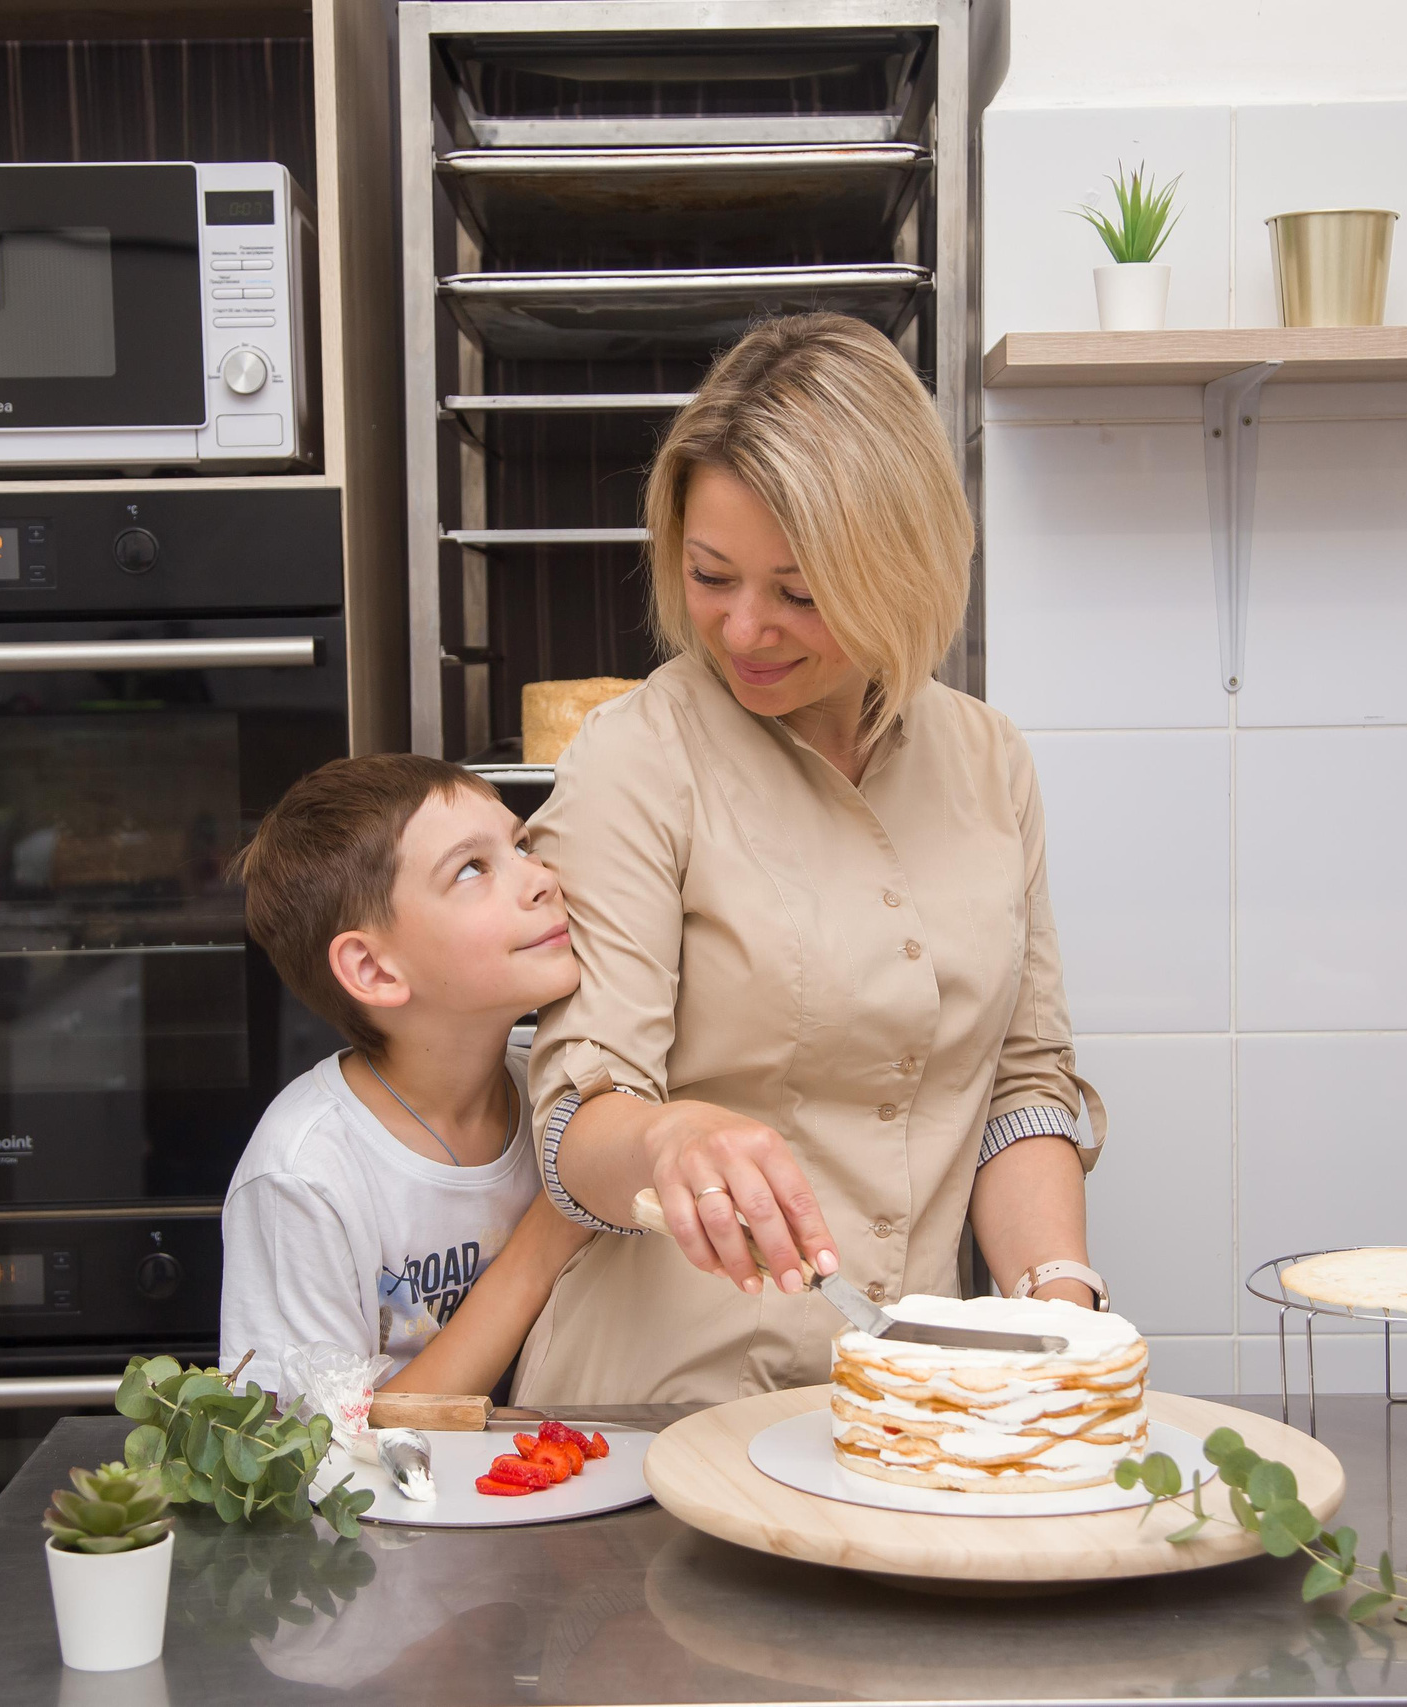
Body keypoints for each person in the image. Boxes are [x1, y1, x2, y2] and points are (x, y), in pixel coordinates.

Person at [512, 314, 1107, 1405]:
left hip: (901, 1399)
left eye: (798, 592)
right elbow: (572, 1126)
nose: (743, 630)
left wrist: (1056, 1310)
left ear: (901, 565)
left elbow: (1021, 1091)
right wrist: (665, 1137)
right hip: (656, 1407)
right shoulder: (637, 761)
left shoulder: (987, 760)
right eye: (710, 576)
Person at [220, 754, 591, 1399]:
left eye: (522, 844)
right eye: (472, 868)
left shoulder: (558, 1088)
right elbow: (316, 1452)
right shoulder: (305, 1172)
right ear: (375, 970)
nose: (542, 879)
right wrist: (553, 1227)